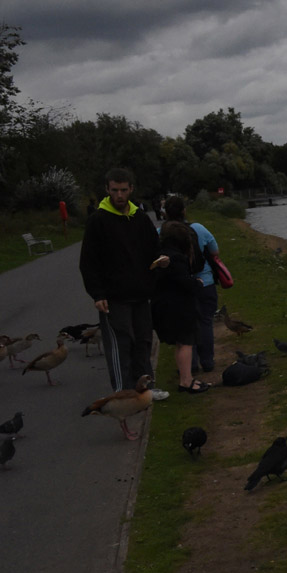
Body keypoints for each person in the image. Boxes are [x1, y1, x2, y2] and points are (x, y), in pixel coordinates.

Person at [78, 168, 169, 400]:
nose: (119, 194)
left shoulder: (140, 218)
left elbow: (154, 247)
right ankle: (123, 392)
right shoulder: (98, 220)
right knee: (120, 344)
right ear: (107, 190)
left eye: (124, 190)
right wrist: (97, 294)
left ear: (131, 189)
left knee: (143, 341)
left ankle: (146, 388)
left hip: (141, 293)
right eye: (115, 190)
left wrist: (161, 260)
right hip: (113, 296)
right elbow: (88, 261)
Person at [152, 220, 213, 393]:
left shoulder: (161, 254)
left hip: (163, 305)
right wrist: (198, 283)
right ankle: (186, 381)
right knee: (186, 343)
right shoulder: (176, 258)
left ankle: (184, 378)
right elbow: (183, 281)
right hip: (179, 307)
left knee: (180, 344)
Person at [163, 195, 219, 373]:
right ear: (184, 211)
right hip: (205, 282)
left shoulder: (161, 233)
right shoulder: (198, 228)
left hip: (178, 286)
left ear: (165, 212)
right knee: (205, 322)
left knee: (185, 326)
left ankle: (191, 365)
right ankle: (208, 361)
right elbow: (215, 250)